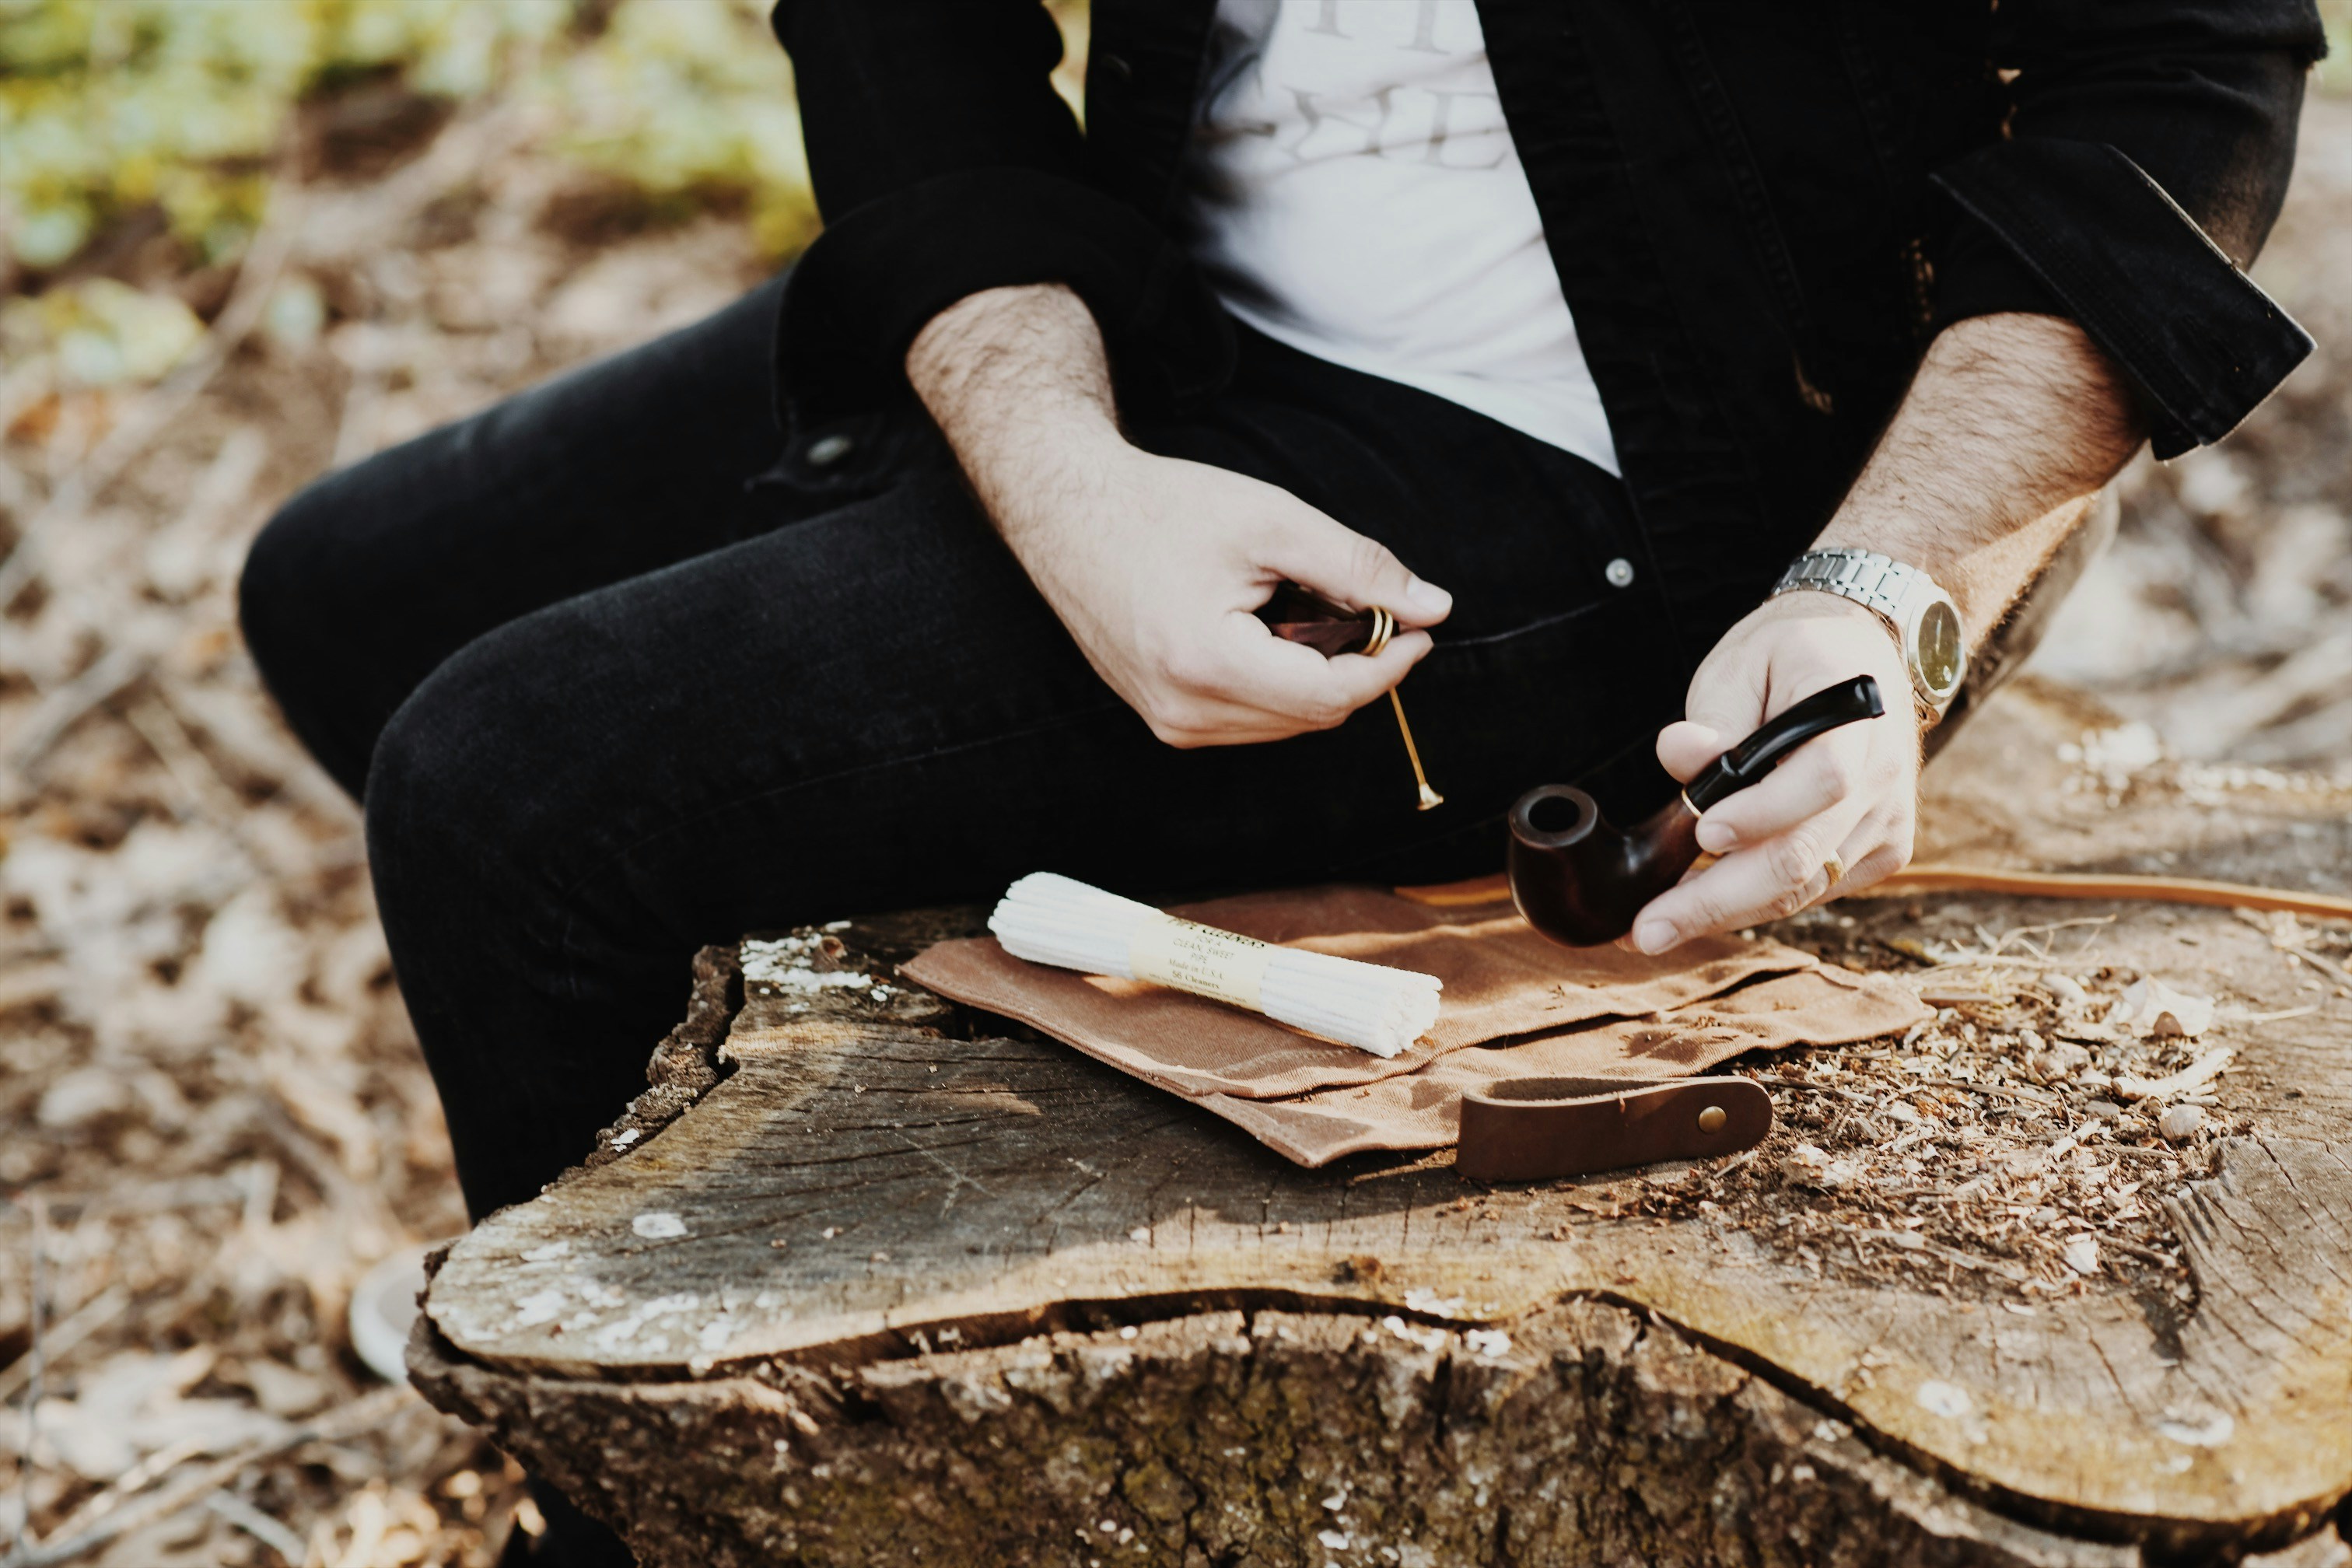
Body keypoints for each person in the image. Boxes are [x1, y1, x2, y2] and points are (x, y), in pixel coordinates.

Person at [240, 2, 2320, 1561]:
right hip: (1181, 318)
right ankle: (754, 1246)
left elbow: (2182, 64)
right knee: (349, 595)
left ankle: (642, 1522)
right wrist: (1067, 486)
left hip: (1680, 503)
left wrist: (1883, 589)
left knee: (506, 789)